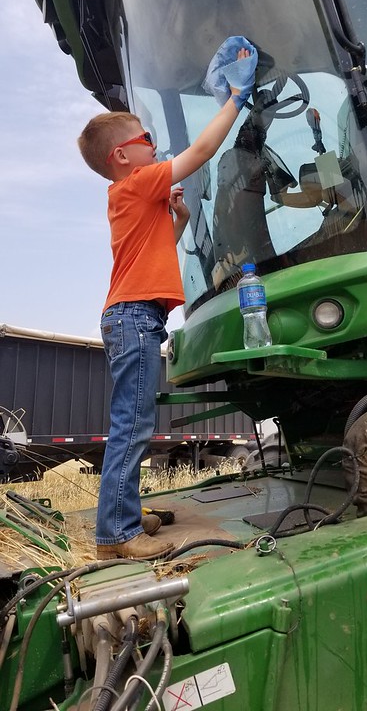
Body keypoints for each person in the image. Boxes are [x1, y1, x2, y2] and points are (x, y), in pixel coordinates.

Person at [77, 47, 251, 560]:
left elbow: (162, 246)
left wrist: (174, 217)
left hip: (133, 316)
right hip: (134, 318)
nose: (155, 146)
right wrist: (235, 100)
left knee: (134, 420)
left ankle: (124, 515)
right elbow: (198, 154)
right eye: (147, 139)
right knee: (133, 424)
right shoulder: (137, 182)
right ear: (123, 157)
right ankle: (116, 534)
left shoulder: (132, 197)